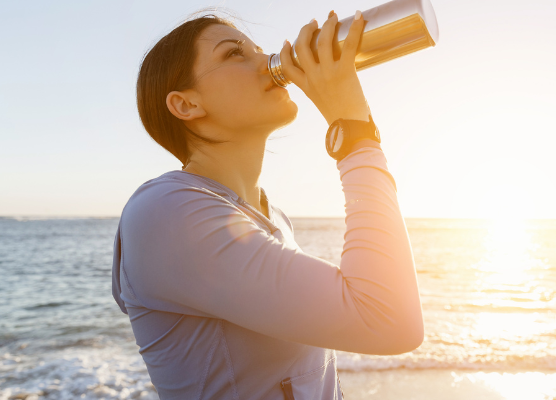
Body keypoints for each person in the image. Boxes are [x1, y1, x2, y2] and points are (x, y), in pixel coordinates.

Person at [111, 8, 424, 400]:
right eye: (234, 54)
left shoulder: (270, 218)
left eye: (259, 50)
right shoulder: (164, 212)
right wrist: (352, 128)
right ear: (186, 105)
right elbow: (389, 319)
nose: (268, 60)